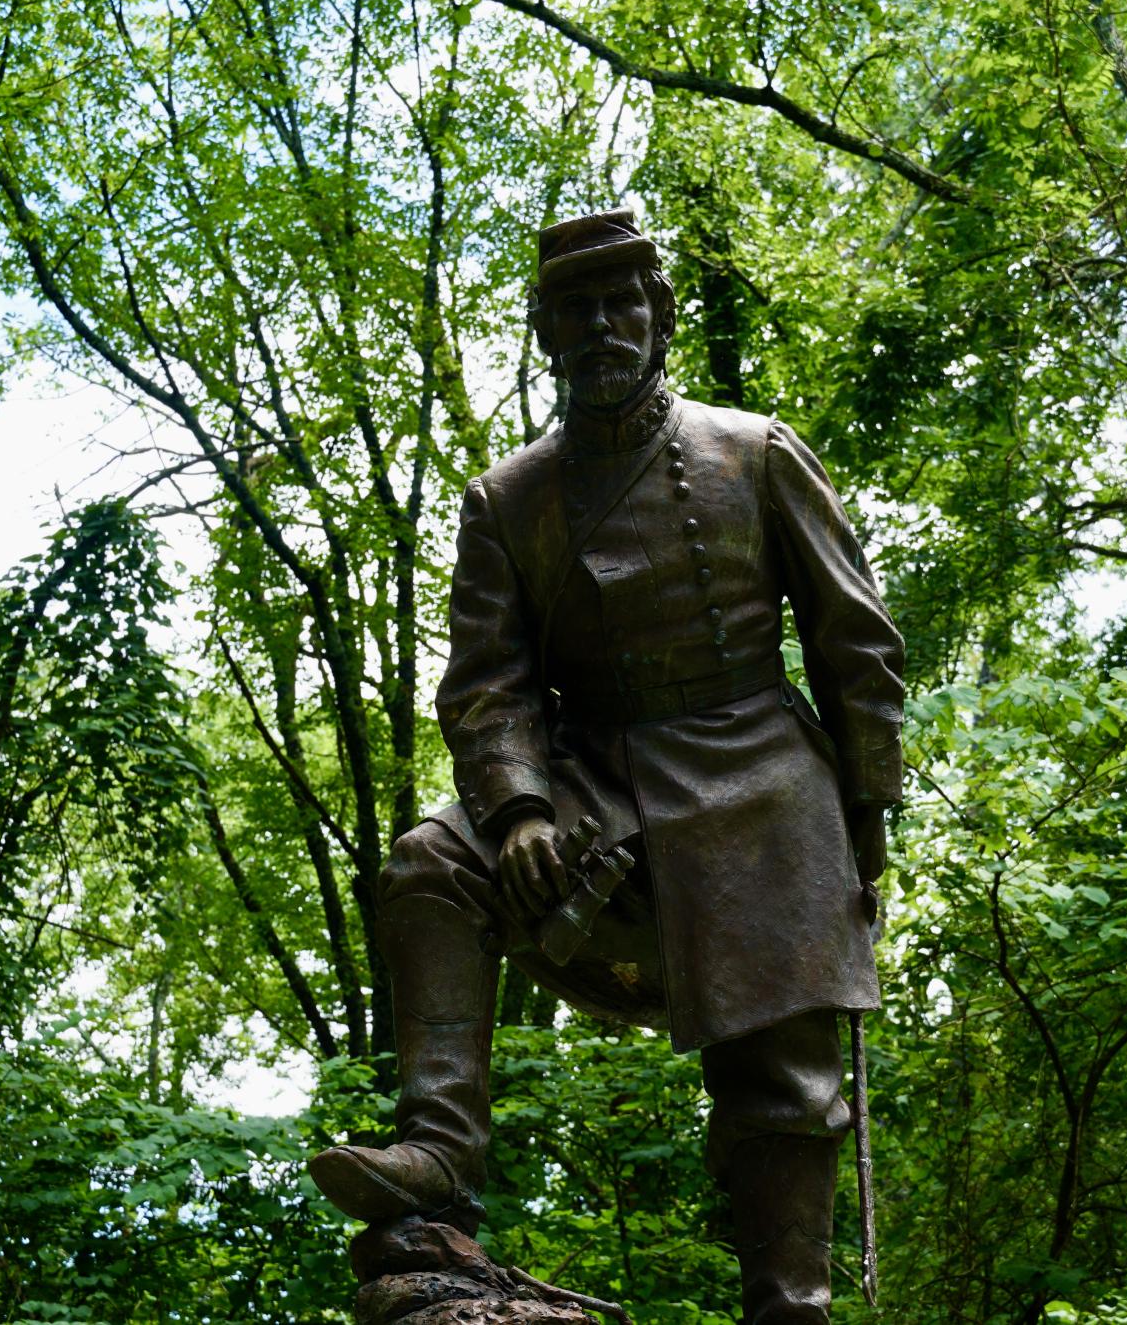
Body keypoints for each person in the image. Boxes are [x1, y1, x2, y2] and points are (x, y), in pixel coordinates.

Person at [309, 209, 906, 1324]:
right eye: (575, 308)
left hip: (762, 778)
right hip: (595, 783)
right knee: (431, 864)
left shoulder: (756, 451)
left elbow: (855, 642)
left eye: (621, 302)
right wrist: (518, 807)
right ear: (544, 332)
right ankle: (438, 1151)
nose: (600, 326)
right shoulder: (509, 499)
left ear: (659, 316)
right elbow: (487, 686)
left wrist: (864, 819)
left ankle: (791, 1307)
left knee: (783, 1088)